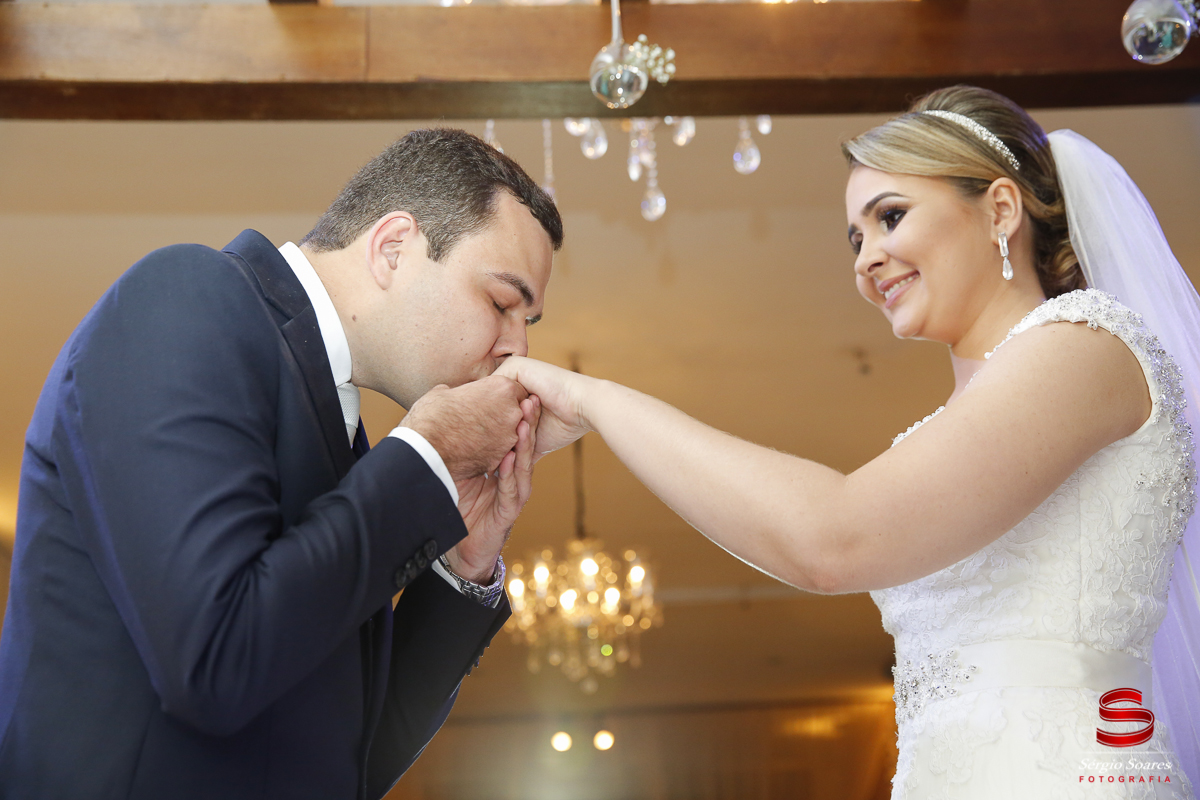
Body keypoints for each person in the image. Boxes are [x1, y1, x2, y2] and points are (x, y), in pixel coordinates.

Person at [497, 87, 1200, 798]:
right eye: (856, 239)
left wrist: (594, 399)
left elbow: (832, 540)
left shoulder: (1085, 345)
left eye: (889, 217)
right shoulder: (951, 425)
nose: (866, 260)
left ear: (1000, 210)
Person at [0, 128, 561, 799]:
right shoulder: (185, 297)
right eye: (502, 303)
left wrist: (462, 565)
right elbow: (216, 662)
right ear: (393, 248)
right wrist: (428, 458)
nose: (516, 348)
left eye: (529, 321)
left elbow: (352, 760)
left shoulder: (346, 443)